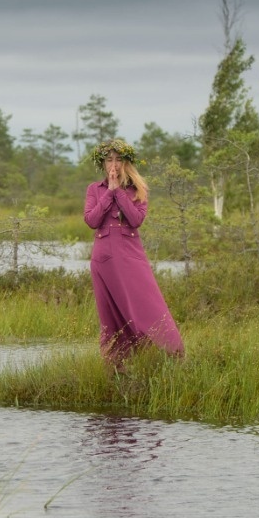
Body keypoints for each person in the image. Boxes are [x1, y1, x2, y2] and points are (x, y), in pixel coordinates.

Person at [83, 139, 184, 366]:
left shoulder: (138, 189)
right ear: (102, 164)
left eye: (119, 160)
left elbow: (136, 220)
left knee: (146, 304)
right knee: (109, 314)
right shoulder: (94, 189)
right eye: (109, 160)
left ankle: (172, 353)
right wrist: (109, 192)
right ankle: (117, 364)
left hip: (130, 255)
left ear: (127, 163)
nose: (114, 165)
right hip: (104, 259)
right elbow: (92, 220)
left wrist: (118, 191)